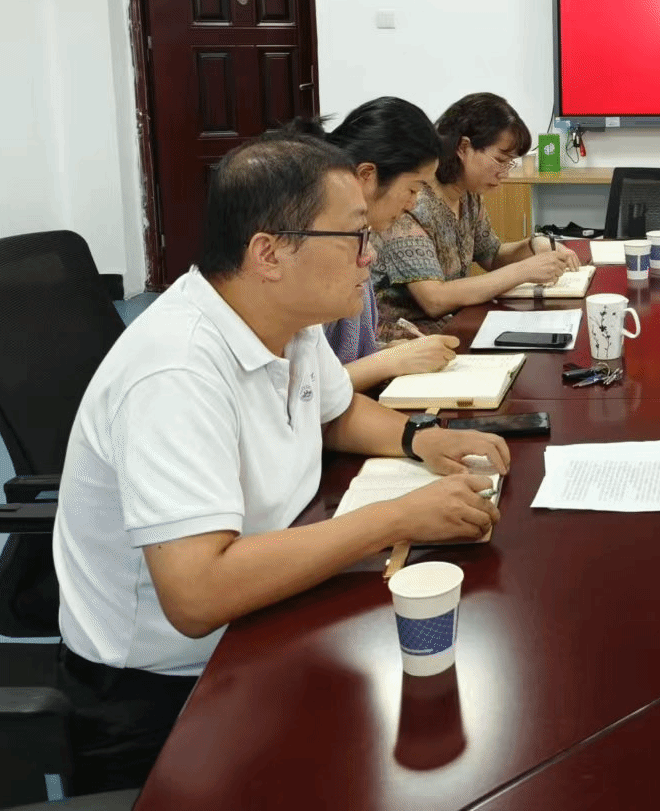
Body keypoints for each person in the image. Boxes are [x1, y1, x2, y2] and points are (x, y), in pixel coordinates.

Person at [52, 133, 509, 793]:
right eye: (353, 236)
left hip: (264, 619)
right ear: (268, 252)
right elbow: (197, 593)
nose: (371, 254)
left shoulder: (287, 319)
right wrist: (395, 517)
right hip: (165, 695)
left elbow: (335, 411)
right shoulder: (175, 371)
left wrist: (421, 439)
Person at [290, 97, 461, 390]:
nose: (413, 203)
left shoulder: (357, 238)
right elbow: (306, 391)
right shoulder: (316, 246)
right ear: (367, 176)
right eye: (412, 189)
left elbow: (335, 364)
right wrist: (390, 360)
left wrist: (387, 351)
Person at [375, 92, 579, 330]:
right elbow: (434, 299)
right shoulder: (411, 202)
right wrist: (524, 270)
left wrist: (534, 245)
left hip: (450, 324)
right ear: (463, 147)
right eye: (500, 160)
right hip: (404, 339)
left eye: (510, 163)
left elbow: (492, 255)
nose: (505, 173)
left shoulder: (469, 195)